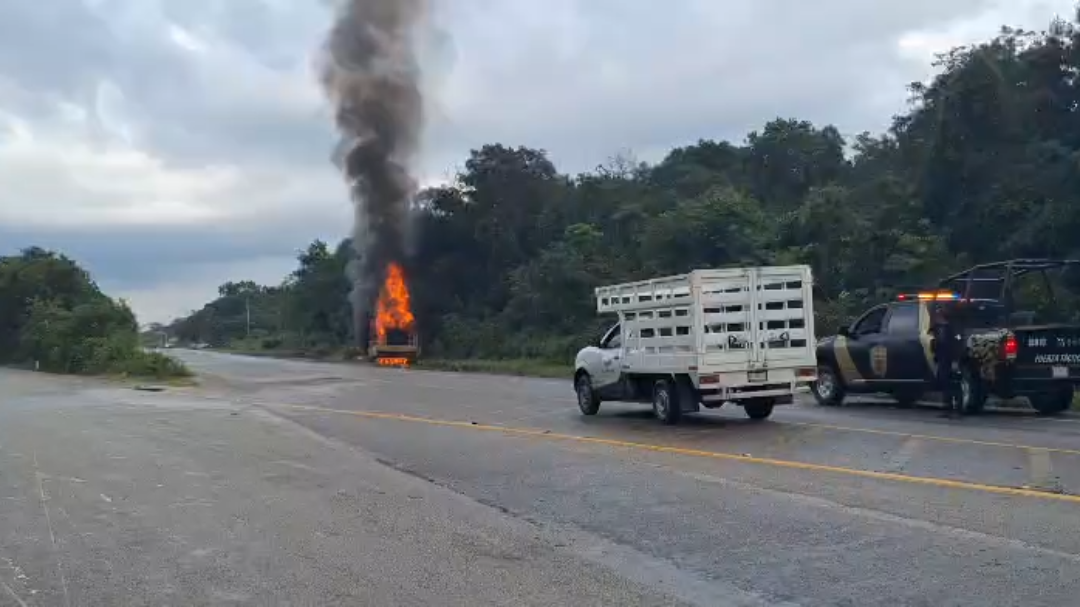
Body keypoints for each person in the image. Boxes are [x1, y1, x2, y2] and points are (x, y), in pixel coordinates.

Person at [930, 305, 963, 418]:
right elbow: (936, 344)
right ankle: (947, 409)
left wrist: (956, 360)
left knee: (955, 384)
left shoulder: (953, 328)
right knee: (945, 384)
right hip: (942, 359)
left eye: (939, 314)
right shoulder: (938, 328)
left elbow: (957, 343)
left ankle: (958, 410)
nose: (937, 317)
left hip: (952, 359)